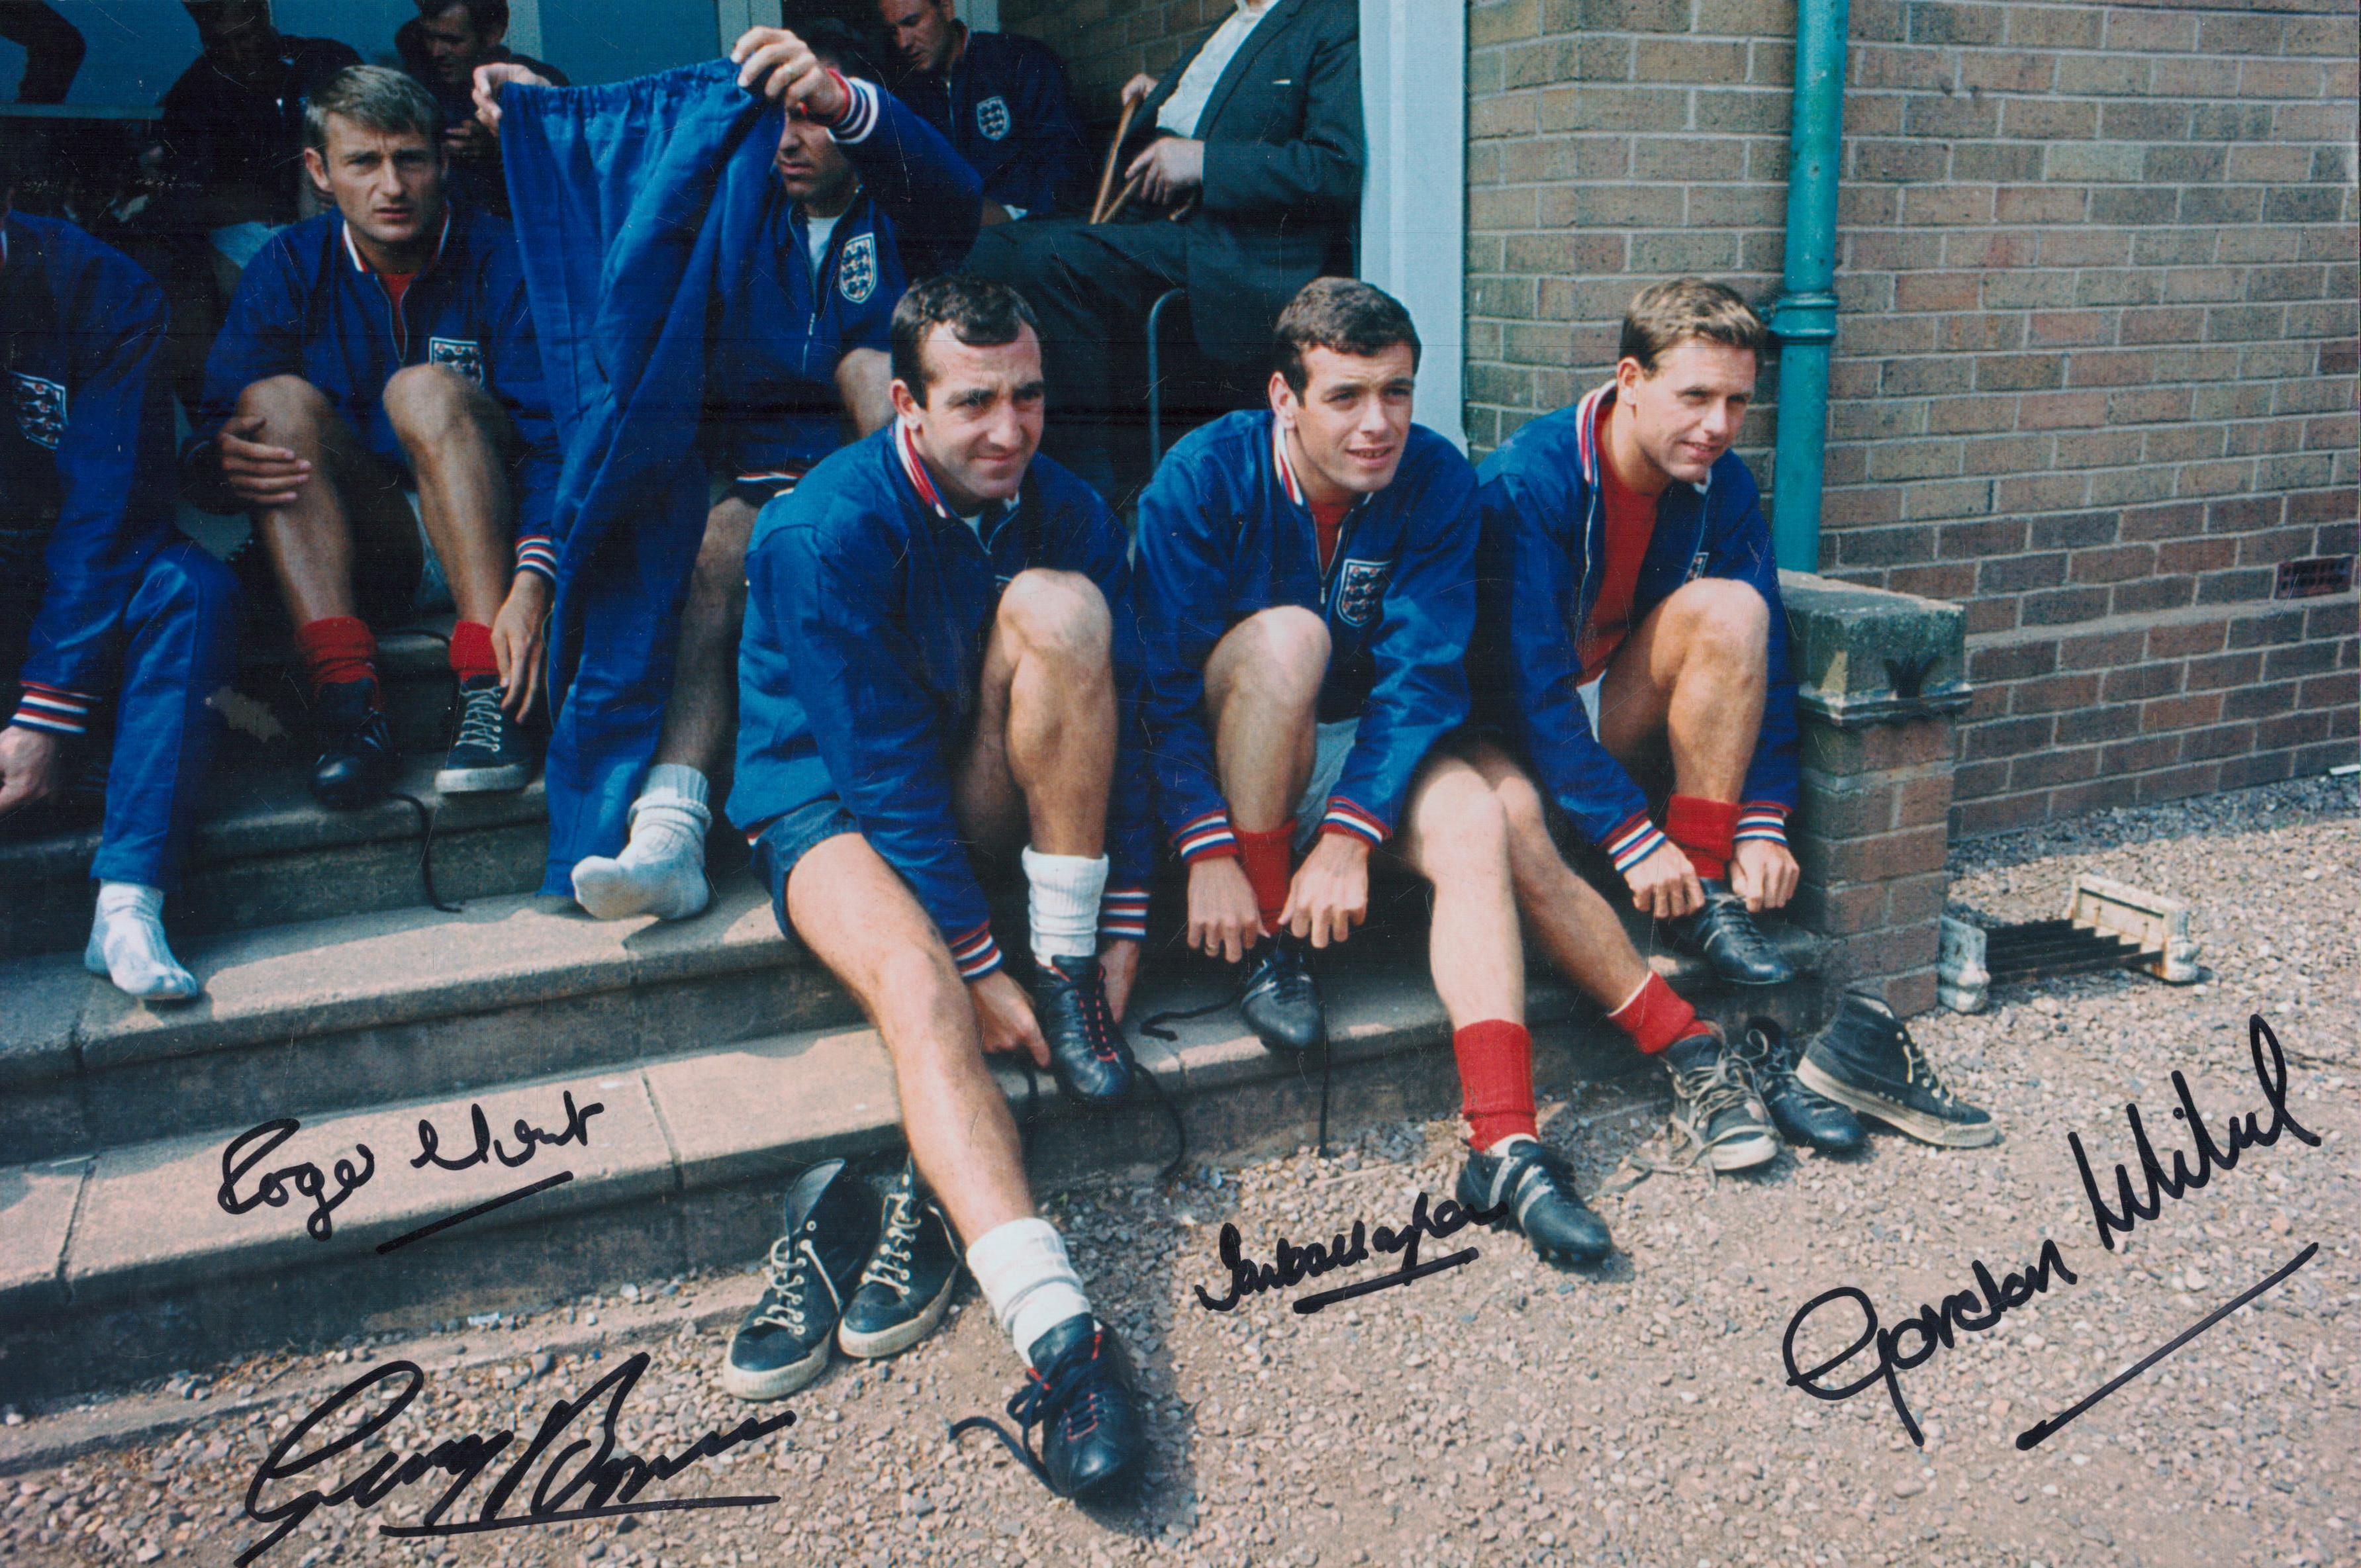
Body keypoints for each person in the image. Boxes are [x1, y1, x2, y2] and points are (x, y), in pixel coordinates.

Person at [720, 275, 1147, 1500]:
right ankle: (1063, 1338)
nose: (1008, 429)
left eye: (1028, 395)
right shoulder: (821, 528)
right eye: (973, 403)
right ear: (905, 403)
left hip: (971, 770)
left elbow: (1137, 707)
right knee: (918, 987)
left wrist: (1113, 926)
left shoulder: (1059, 502)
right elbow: (880, 777)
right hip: (828, 801)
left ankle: (1063, 964)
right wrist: (972, 958)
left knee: (1067, 609)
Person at [1133, 277, 1604, 1266]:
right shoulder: (1202, 474)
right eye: (1345, 396)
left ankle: (1504, 1140)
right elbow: (1158, 688)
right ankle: (1270, 934)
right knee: (1289, 640)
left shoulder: (1431, 479)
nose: (1377, 422)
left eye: (1396, 392)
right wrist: (1204, 844)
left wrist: (1351, 830)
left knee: (1474, 816)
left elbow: (1421, 675)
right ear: (1283, 397)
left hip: (1349, 752)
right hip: (1230, 759)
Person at [1472, 278, 1990, 1158]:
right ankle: (1684, 1000)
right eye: (1694, 396)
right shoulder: (1532, 479)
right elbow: (1527, 694)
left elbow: (1766, 658)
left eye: (1736, 401)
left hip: (1611, 711)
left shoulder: (1721, 484)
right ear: (1628, 379)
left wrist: (1761, 820)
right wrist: (1631, 836)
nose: (1716, 424)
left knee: (1734, 612)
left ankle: (1699, 891)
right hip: (1508, 738)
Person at [477, 23, 983, 922]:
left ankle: (892, 796)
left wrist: (850, 104)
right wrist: (537, 108)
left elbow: (954, 192)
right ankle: (669, 830)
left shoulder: (901, 211)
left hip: (883, 487)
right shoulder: (737, 214)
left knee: (872, 371)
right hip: (749, 481)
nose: (790, 138)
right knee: (715, 548)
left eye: (814, 117)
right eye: (778, 118)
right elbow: (632, 162)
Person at [185, 65, 558, 809]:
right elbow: (209, 441)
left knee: (419, 388)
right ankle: (351, 704)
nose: (392, 186)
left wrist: (537, 576)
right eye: (364, 162)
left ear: (442, 163)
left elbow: (559, 439)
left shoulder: (505, 258)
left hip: (492, 531)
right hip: (372, 545)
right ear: (321, 173)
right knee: (272, 402)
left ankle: (490, 692)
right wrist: (222, 460)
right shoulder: (289, 264)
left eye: (410, 159)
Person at [0, 144, 239, 1000]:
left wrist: (45, 711)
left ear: (9, 187)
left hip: (72, 557)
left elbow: (106, 504)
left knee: (193, 589)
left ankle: (130, 901)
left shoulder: (100, 286)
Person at [964, 0, 1361, 496]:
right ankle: (1012, 458)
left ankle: (1087, 489)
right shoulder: (1232, 24)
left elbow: (1335, 168)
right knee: (987, 248)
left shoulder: (1327, 19)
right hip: (1170, 230)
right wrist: (1164, 101)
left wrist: (1203, 161)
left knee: (1047, 261)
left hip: (1237, 251)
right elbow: (1232, 112)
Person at [158, 1, 360, 289]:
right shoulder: (194, 92)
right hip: (256, 240)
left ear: (264, 13)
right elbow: (193, 194)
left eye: (244, 37)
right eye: (220, 43)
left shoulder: (328, 60)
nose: (237, 54)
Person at [876, 0, 1088, 223]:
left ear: (947, 9)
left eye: (912, 22)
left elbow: (1067, 166)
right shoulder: (910, 99)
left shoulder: (1021, 60)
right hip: (958, 240)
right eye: (893, 31)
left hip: (1031, 233)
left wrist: (1014, 218)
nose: (904, 43)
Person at [393, 0, 566, 217]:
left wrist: (499, 146)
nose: (436, 51)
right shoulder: (420, 83)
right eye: (430, 38)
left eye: (452, 41)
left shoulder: (537, 84)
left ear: (493, 34)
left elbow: (569, 176)